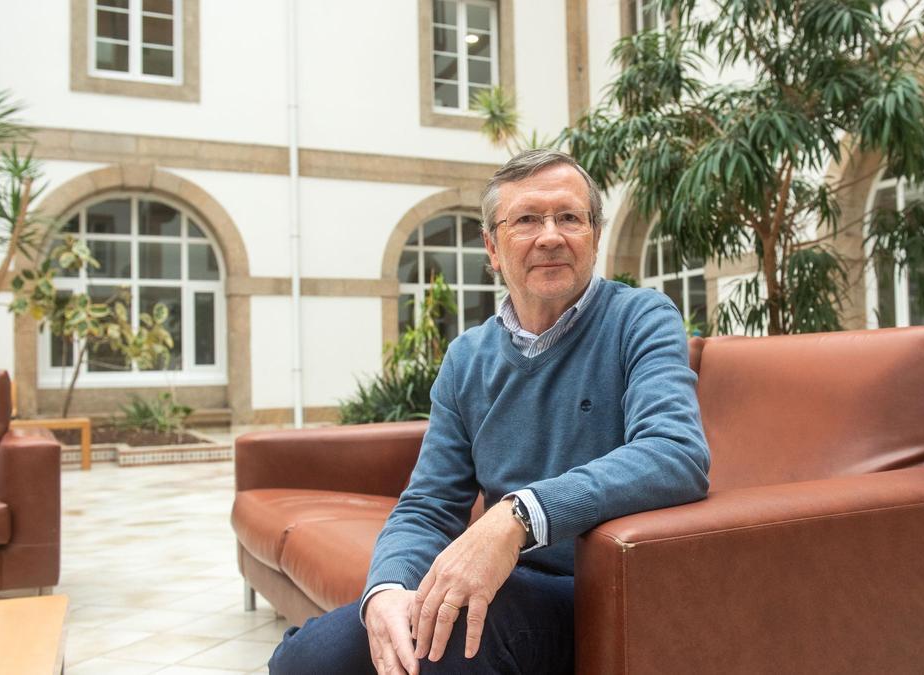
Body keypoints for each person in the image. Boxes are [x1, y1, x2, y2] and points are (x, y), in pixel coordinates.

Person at [269, 149, 710, 674]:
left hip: (592, 592)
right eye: (526, 220)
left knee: (449, 649)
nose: (550, 235)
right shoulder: (467, 358)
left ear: (593, 236)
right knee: (309, 659)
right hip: (499, 585)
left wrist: (517, 515)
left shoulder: (641, 318)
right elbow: (429, 505)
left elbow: (675, 453)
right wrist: (387, 589)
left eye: (569, 217)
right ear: (492, 248)